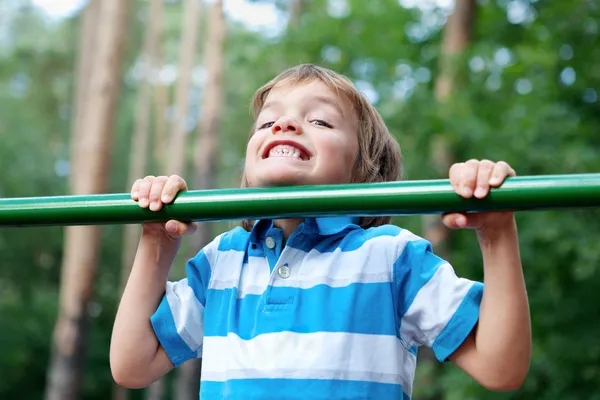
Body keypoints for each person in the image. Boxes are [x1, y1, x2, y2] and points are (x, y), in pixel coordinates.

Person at [110, 64, 531, 399]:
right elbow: (133, 365)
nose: (284, 125)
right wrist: (156, 240)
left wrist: (496, 234)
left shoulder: (389, 257)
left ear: (364, 169)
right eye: (266, 122)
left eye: (320, 121)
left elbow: (500, 368)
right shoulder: (224, 261)